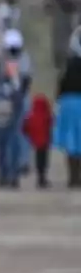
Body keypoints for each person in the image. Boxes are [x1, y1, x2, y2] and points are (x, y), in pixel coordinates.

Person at [2, 28, 34, 176]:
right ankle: (10, 161)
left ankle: (23, 161)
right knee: (9, 132)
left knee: (23, 131)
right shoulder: (5, 60)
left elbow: (27, 79)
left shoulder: (24, 58)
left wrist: (19, 95)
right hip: (8, 99)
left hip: (22, 98)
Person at [0, 58, 27, 189]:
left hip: (10, 118)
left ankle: (11, 176)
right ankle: (5, 175)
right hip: (2, 117)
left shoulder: (13, 84)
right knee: (4, 147)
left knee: (11, 146)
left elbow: (18, 102)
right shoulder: (1, 84)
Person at [53, 31, 81, 188]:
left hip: (68, 103)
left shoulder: (69, 64)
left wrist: (57, 103)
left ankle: (73, 177)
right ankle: (78, 177)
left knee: (71, 144)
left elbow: (61, 84)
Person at [47, 0, 77, 91]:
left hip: (59, 44)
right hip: (64, 45)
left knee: (61, 71)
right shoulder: (65, 5)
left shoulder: (56, 5)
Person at [24, 91, 54, 188]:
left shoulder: (31, 116)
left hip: (36, 142)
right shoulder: (46, 116)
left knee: (38, 160)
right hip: (45, 142)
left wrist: (28, 135)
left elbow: (25, 127)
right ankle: (43, 178)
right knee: (44, 160)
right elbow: (52, 124)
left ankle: (39, 177)